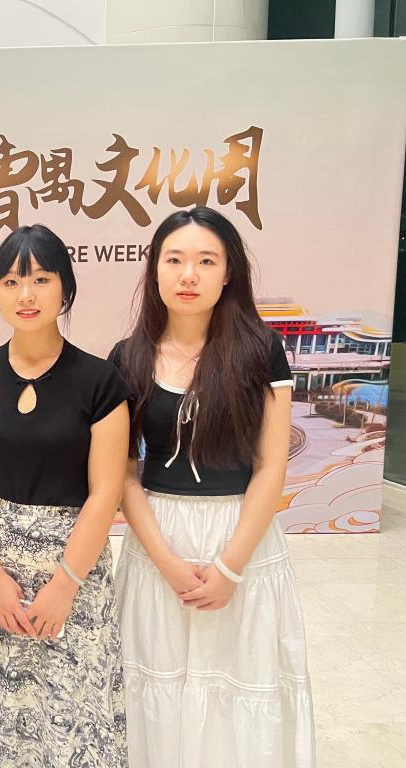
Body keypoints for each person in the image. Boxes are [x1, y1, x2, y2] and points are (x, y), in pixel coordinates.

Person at [109, 206, 316, 768]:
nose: (188, 275)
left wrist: (229, 567)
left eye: (206, 261)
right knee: (156, 682)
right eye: (174, 260)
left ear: (229, 273)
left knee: (237, 681)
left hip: (241, 536)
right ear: (154, 270)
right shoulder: (127, 357)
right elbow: (123, 472)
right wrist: (167, 562)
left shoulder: (261, 351)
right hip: (157, 539)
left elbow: (271, 467)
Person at [0, 224, 130, 767]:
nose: (25, 295)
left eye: (41, 279)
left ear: (65, 290)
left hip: (74, 572)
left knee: (75, 718)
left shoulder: (100, 382)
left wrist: (65, 584)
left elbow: (106, 492)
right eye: (11, 281)